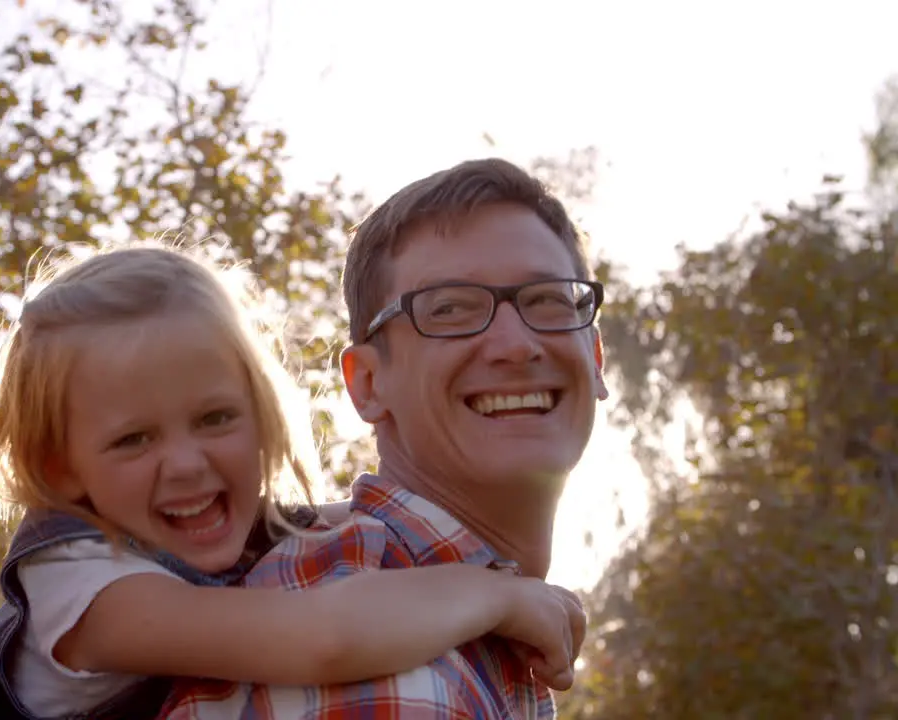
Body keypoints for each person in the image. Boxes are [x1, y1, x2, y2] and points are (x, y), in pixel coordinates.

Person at [0, 244, 585, 720]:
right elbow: (326, 640)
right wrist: (498, 597)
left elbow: (350, 514)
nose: (186, 463)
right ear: (62, 466)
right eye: (134, 439)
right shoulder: (79, 584)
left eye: (215, 419)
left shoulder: (207, 525)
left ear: (263, 416)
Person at [160, 157, 607, 719]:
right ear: (368, 384)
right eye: (449, 309)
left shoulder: (477, 627)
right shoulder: (385, 651)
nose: (516, 344)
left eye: (548, 301)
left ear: (595, 358)